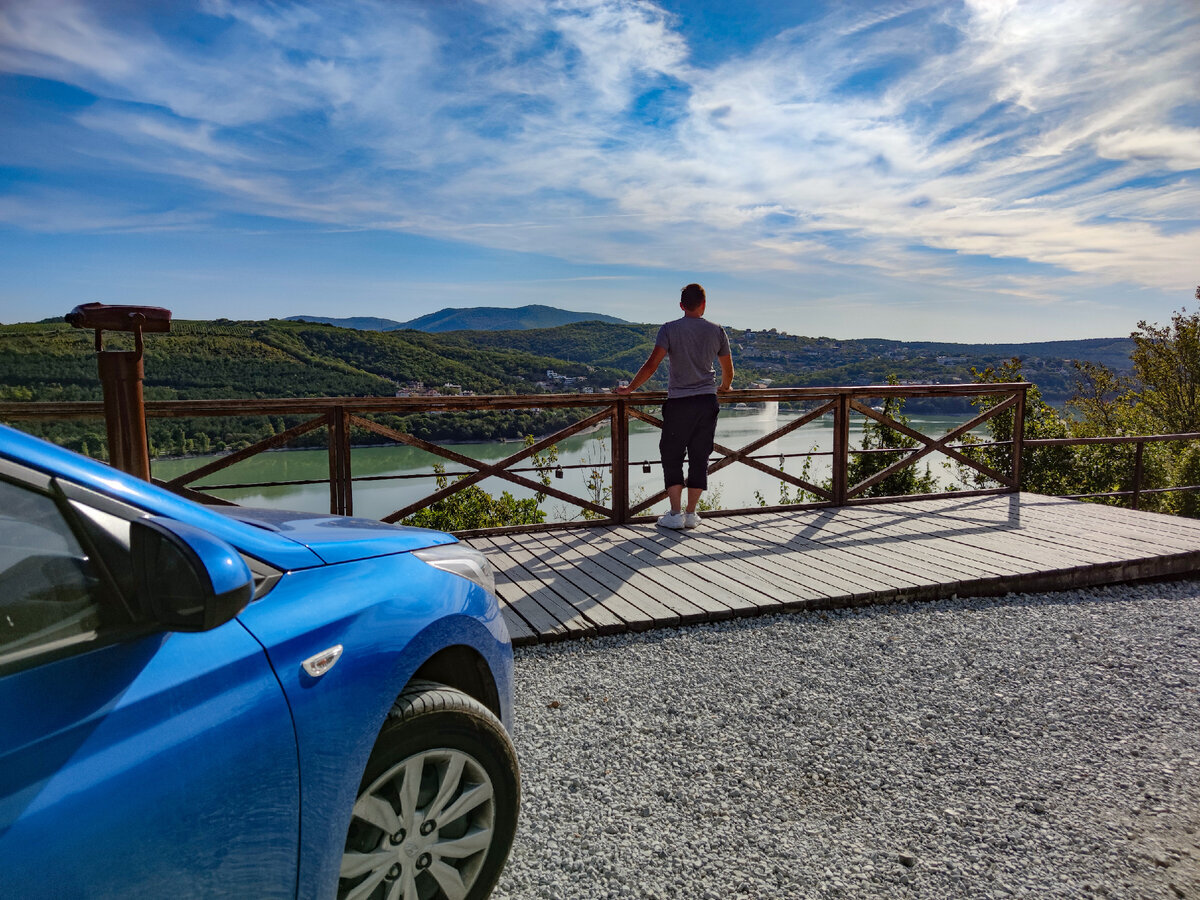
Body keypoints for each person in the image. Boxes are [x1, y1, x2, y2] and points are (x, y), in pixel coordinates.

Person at [618, 283, 734, 529]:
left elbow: (651, 365)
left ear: (681, 305)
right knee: (699, 456)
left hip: (679, 403)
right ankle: (691, 514)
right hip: (706, 401)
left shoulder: (669, 329)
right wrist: (724, 387)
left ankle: (674, 513)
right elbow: (728, 370)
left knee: (672, 455)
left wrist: (630, 388)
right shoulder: (717, 331)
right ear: (704, 304)